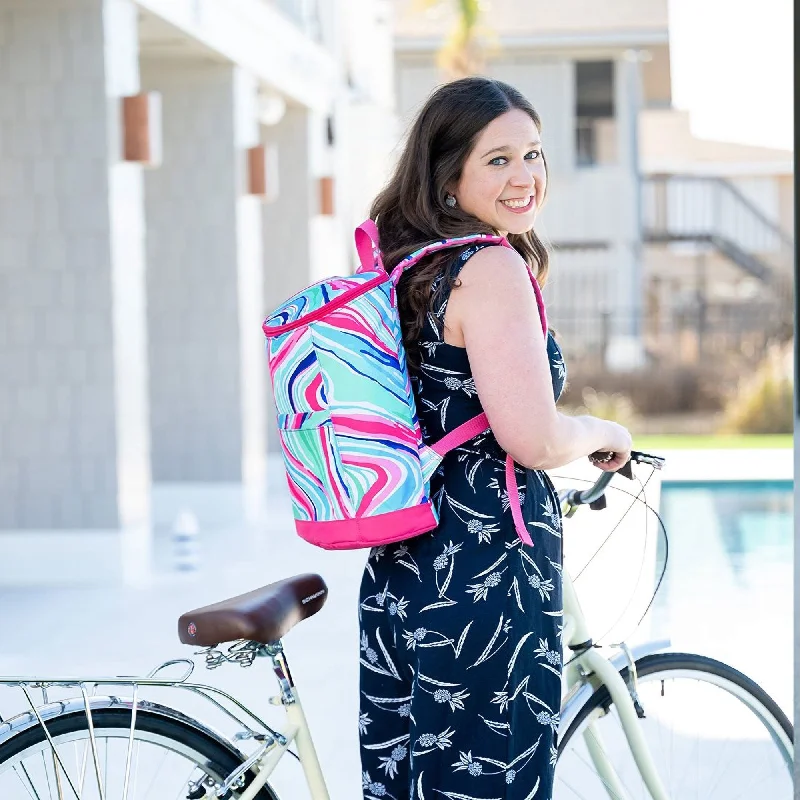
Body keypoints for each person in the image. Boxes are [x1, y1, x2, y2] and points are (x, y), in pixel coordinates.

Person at [357, 76, 632, 800]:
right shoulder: (493, 268)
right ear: (450, 178)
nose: (525, 177)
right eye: (499, 159)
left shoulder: (408, 269)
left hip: (403, 566)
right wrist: (603, 430)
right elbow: (533, 439)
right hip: (487, 577)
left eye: (534, 155)